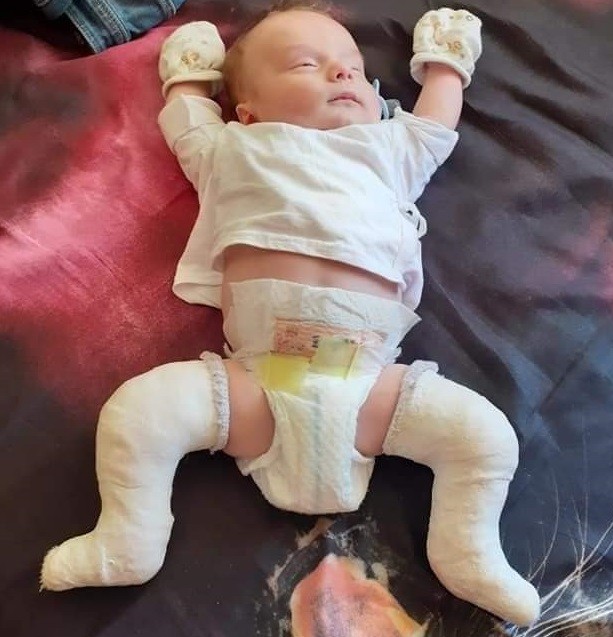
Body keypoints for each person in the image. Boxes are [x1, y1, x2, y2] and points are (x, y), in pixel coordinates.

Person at [41, 1, 540, 626]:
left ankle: (467, 551)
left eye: (354, 68)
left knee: (484, 438)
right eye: (308, 64)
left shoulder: (388, 149)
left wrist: (445, 65)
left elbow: (435, 125)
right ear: (248, 112)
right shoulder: (234, 149)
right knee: (141, 414)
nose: (343, 74)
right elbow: (189, 124)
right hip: (258, 383)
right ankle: (128, 539)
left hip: (365, 385)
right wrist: (190, 79)